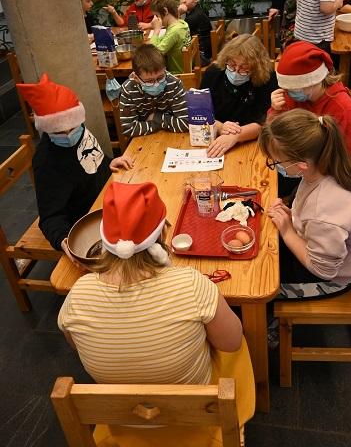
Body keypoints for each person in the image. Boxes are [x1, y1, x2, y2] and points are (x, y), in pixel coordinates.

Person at [58, 181, 254, 441]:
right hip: (193, 419)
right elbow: (231, 343)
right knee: (235, 340)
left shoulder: (78, 294)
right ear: (161, 234)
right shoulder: (192, 284)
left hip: (121, 421)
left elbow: (75, 344)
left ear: (103, 239)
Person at [259, 109, 351, 299]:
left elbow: (323, 269)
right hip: (329, 248)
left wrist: (288, 231)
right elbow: (317, 222)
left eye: (276, 162)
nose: (275, 165)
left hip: (333, 280)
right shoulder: (335, 167)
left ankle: (267, 314)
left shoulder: (324, 210)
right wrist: (292, 217)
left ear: (302, 165)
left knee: (261, 284)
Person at [16, 74, 134, 257]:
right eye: (59, 132)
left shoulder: (80, 130)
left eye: (72, 127)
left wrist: (108, 162)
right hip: (84, 219)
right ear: (47, 129)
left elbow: (93, 160)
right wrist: (64, 240)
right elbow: (50, 217)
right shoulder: (46, 161)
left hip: (105, 196)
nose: (68, 134)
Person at [270, 41, 351, 166]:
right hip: (295, 163)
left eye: (292, 88)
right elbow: (273, 135)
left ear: (314, 80)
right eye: (285, 88)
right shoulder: (291, 95)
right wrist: (275, 110)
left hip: (325, 171)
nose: (288, 92)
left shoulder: (344, 111)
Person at [201, 34, 278, 158]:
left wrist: (236, 136)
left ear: (256, 68)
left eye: (244, 68)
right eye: (232, 65)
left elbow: (265, 121)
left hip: (251, 144)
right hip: (214, 137)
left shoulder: (267, 79)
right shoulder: (213, 73)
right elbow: (201, 112)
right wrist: (220, 126)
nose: (236, 72)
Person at [119, 44, 189, 137]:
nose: (156, 84)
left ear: (165, 69)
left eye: (160, 78)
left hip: (172, 136)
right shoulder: (128, 90)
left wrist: (156, 118)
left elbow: (186, 123)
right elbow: (129, 129)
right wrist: (158, 123)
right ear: (136, 78)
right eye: (149, 81)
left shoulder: (174, 84)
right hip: (144, 140)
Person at [148, 0, 191, 74]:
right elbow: (164, 40)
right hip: (183, 69)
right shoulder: (181, 24)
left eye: (156, 15)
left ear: (165, 11)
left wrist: (156, 30)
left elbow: (153, 55)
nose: (155, 19)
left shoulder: (174, 31)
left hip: (176, 74)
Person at [178, 0, 212, 65]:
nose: (184, 1)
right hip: (202, 52)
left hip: (202, 57)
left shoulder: (194, 16)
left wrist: (178, 13)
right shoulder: (194, 11)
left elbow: (178, 32)